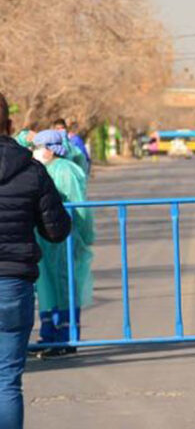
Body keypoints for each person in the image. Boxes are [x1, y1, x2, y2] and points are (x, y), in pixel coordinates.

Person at [0, 93, 71, 428]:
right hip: (14, 284)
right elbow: (56, 230)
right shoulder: (32, 171)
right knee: (7, 381)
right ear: (10, 125)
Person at [31, 130, 94, 355]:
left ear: (51, 148)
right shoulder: (40, 170)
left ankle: (67, 336)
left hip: (65, 237)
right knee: (47, 285)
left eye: (39, 147)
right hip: (43, 240)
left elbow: (80, 208)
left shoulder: (66, 171)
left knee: (65, 284)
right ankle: (49, 335)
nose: (36, 151)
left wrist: (86, 235)